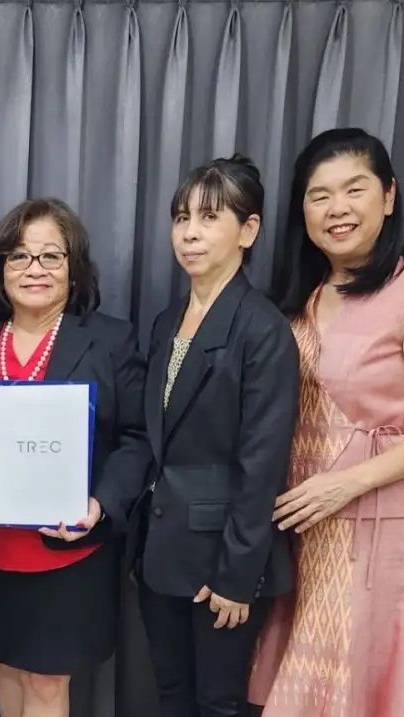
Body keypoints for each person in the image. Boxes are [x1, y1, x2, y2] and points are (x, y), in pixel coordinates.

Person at [247, 129, 404, 717]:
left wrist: (347, 484)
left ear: (388, 196)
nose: (337, 208)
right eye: (319, 196)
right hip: (296, 517)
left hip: (370, 521)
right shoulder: (304, 292)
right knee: (296, 682)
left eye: (354, 189)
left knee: (348, 688)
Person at [0, 198, 152, 716]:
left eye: (50, 256)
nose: (34, 268)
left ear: (73, 268)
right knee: (3, 667)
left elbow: (138, 437)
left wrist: (101, 504)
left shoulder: (110, 341)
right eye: (18, 256)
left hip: (70, 547)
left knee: (45, 683)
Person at [126, 155, 299, 717]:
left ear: (248, 231)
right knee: (171, 694)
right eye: (181, 218)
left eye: (209, 217)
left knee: (219, 703)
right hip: (161, 548)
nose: (190, 233)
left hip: (221, 559)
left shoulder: (263, 329)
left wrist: (237, 576)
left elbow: (262, 463)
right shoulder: (167, 321)